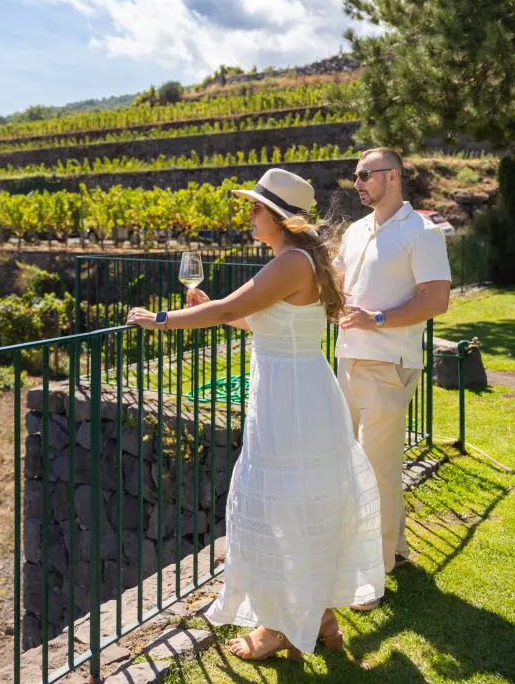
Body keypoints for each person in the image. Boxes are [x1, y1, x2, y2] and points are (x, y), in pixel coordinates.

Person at [127, 168, 384, 661]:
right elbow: (261, 320)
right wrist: (208, 304)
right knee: (302, 501)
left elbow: (226, 313)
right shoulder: (298, 259)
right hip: (301, 393)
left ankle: (277, 626)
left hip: (289, 400)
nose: (248, 215)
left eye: (256, 208)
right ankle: (322, 618)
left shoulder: (290, 262)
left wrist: (159, 319)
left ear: (280, 218)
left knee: (279, 508)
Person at [335, 148, 451, 597]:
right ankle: (393, 548)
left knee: (377, 471)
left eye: (366, 175)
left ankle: (374, 572)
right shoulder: (356, 230)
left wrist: (377, 319)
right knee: (358, 465)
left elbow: (436, 299)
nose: (358, 182)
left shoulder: (421, 232)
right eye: (356, 175)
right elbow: (339, 282)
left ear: (393, 177)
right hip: (349, 359)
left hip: (389, 363)